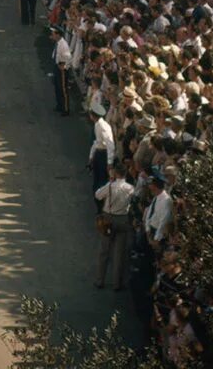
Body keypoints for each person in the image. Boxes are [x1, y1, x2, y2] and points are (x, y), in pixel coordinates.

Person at [94, 160, 134, 291]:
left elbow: (98, 195)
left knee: (104, 251)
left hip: (108, 219)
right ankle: (117, 283)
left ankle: (100, 280)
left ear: (116, 173)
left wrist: (110, 181)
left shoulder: (110, 186)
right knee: (119, 253)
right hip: (122, 219)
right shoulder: (130, 188)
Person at [88, 104, 114, 200]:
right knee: (97, 178)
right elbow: (97, 142)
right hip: (99, 153)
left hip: (103, 154)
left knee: (101, 180)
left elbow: (110, 145)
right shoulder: (97, 124)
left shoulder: (103, 127)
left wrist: (109, 162)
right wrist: (91, 156)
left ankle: (101, 202)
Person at [50, 25, 71, 116]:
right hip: (57, 66)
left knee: (63, 89)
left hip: (62, 69)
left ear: (58, 34)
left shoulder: (63, 44)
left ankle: (65, 109)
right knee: (57, 87)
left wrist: (64, 66)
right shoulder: (58, 43)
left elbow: (68, 57)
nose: (52, 35)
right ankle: (59, 105)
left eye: (53, 33)